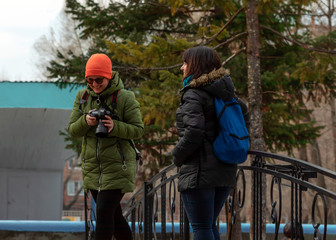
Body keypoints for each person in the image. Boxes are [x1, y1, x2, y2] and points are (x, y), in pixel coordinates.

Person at [172, 46, 250, 240]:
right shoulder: (227, 93)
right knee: (208, 225)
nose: (182, 68)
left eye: (185, 63)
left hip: (199, 172)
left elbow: (194, 132)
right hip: (225, 170)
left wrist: (177, 155)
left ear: (195, 66)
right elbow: (244, 117)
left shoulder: (194, 94)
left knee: (201, 227)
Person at [68, 53, 144, 240]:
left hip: (118, 166)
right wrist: (86, 121)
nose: (94, 84)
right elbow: (73, 130)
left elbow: (138, 130)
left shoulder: (125, 97)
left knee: (103, 212)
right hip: (93, 168)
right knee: (114, 216)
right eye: (90, 80)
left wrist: (115, 127)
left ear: (109, 76)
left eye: (99, 80)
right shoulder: (83, 97)